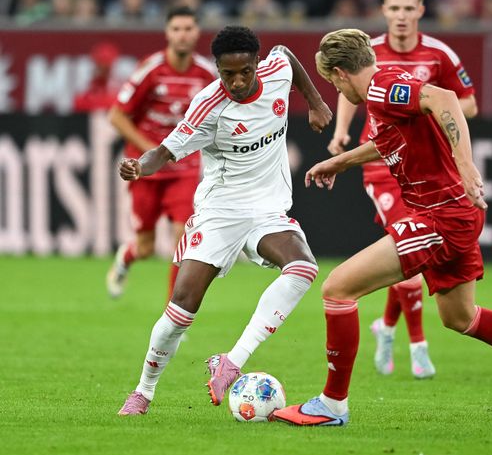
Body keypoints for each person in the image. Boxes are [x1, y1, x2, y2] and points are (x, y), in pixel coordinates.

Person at [272, 29, 492, 427]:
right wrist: (341, 162)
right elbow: (392, 139)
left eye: (332, 82)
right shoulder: (386, 85)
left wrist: (465, 163)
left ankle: (332, 404)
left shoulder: (379, 90)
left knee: (337, 289)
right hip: (453, 214)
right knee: (460, 317)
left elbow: (444, 99)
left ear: (339, 74)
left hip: (441, 215)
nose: (337, 89)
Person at [117, 25, 332, 416]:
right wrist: (139, 166)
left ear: (256, 63)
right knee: (180, 310)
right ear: (216, 68)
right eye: (227, 73)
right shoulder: (208, 106)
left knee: (303, 267)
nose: (236, 81)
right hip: (220, 214)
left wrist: (315, 101)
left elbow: (285, 52)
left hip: (267, 210)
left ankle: (231, 361)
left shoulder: (276, 71)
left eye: (244, 71)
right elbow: (164, 152)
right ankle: (143, 392)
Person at [327, 0, 478, 380]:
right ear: (384, 10)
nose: (400, 16)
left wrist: (436, 115)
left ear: (420, 11)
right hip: (381, 162)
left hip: (425, 165)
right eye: (393, 8)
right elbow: (348, 91)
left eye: (408, 8)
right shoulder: (365, 53)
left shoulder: (438, 53)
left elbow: (467, 104)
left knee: (407, 254)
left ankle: (390, 329)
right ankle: (417, 346)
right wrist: (341, 135)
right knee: (404, 246)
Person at [106, 6, 216, 300]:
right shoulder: (151, 70)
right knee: (146, 248)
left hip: (184, 170)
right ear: (167, 33)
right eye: (177, 29)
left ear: (197, 33)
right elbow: (117, 115)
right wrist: (150, 151)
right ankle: (125, 259)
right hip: (145, 170)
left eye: (188, 29)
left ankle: (173, 314)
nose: (183, 35)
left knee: (183, 240)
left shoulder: (207, 74)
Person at [73, 41, 121, 113]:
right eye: (100, 63)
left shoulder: (117, 89)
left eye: (106, 64)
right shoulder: (87, 89)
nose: (103, 67)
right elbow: (78, 104)